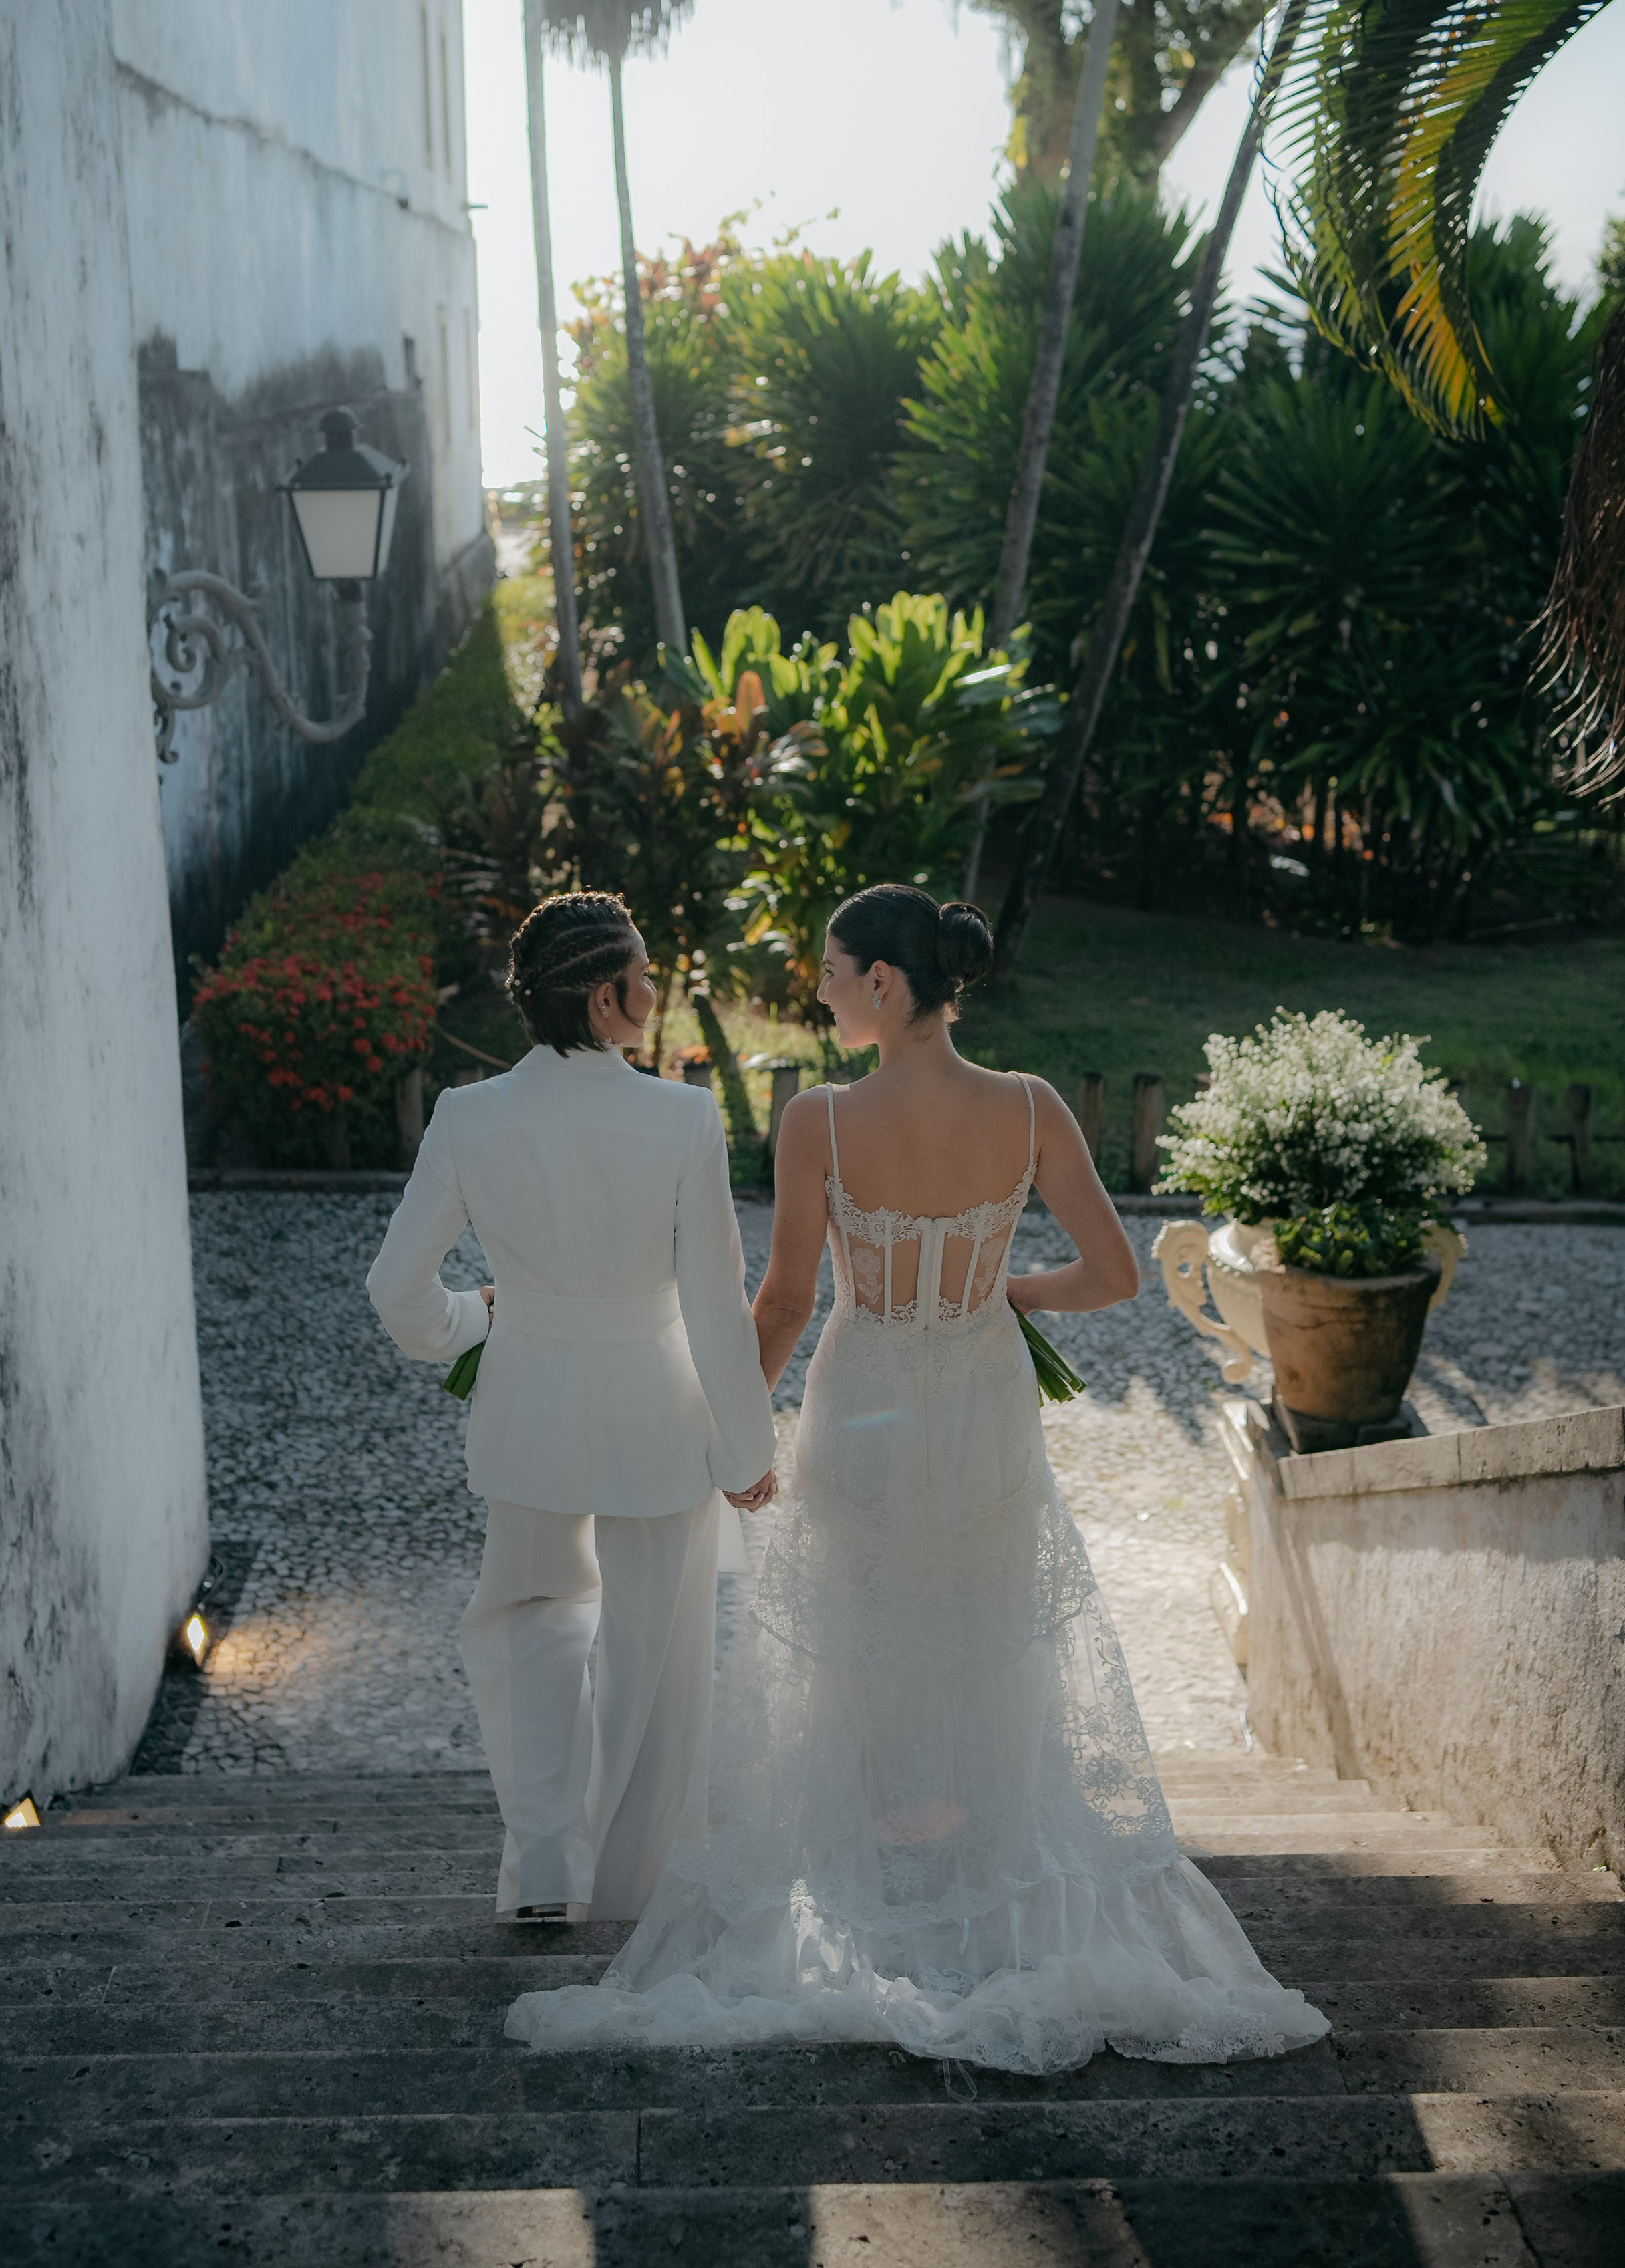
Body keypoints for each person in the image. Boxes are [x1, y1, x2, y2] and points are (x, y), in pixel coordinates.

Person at [505, 883, 1330, 2072]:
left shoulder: (821, 1122)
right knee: (987, 1638)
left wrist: (731, 1436)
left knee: (859, 1646)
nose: (820, 990)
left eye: (832, 972)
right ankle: (977, 1888)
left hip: (866, 1408)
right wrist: (1003, 1292)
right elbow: (1113, 1275)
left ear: (884, 985)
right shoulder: (1032, 1105)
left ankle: (879, 1901)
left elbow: (786, 1302)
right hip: (985, 1409)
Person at [365, 891, 776, 1925]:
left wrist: (470, 1321)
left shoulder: (468, 1117)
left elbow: (396, 1291)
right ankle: (639, 1886)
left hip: (530, 1411)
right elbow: (714, 1305)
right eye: (644, 976)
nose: (655, 991)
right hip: (656, 1416)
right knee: (655, 1654)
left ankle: (545, 1869)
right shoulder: (682, 1118)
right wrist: (746, 1450)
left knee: (529, 1629)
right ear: (604, 999)